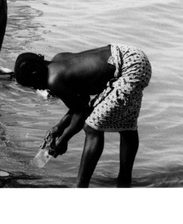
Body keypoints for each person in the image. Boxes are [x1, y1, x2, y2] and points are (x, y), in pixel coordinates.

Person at [14, 44, 152, 188]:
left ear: (36, 75)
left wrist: (64, 139)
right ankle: (124, 182)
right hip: (128, 56)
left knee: (91, 127)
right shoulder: (58, 59)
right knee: (126, 126)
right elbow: (81, 103)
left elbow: (81, 114)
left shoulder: (53, 80)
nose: (37, 89)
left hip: (130, 70)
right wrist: (59, 127)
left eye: (32, 85)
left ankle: (81, 186)